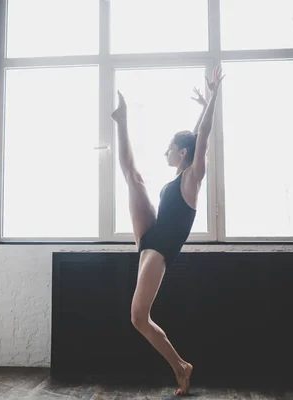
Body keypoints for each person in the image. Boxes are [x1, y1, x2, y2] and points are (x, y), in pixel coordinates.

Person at [110, 66, 225, 396]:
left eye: (170, 148)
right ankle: (122, 120)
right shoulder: (178, 177)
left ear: (183, 154)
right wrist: (202, 107)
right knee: (133, 177)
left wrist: (214, 98)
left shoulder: (192, 180)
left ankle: (180, 366)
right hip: (150, 235)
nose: (166, 152)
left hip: (161, 248)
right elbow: (193, 137)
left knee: (138, 317)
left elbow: (201, 139)